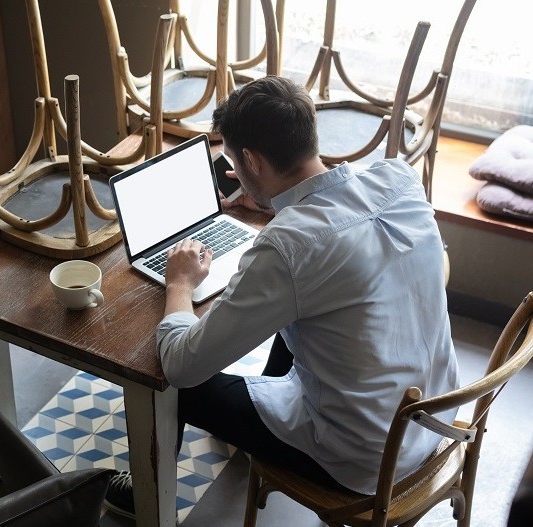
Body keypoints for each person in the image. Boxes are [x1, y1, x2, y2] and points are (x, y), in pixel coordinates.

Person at [103, 76, 460, 519]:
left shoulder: (288, 248)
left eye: (234, 160)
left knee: (174, 384)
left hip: (364, 457)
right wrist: (274, 200)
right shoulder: (399, 178)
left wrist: (179, 283)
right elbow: (338, 227)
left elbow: (182, 364)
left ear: (251, 160)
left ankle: (145, 494)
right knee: (306, 310)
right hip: (433, 417)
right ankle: (259, 414)